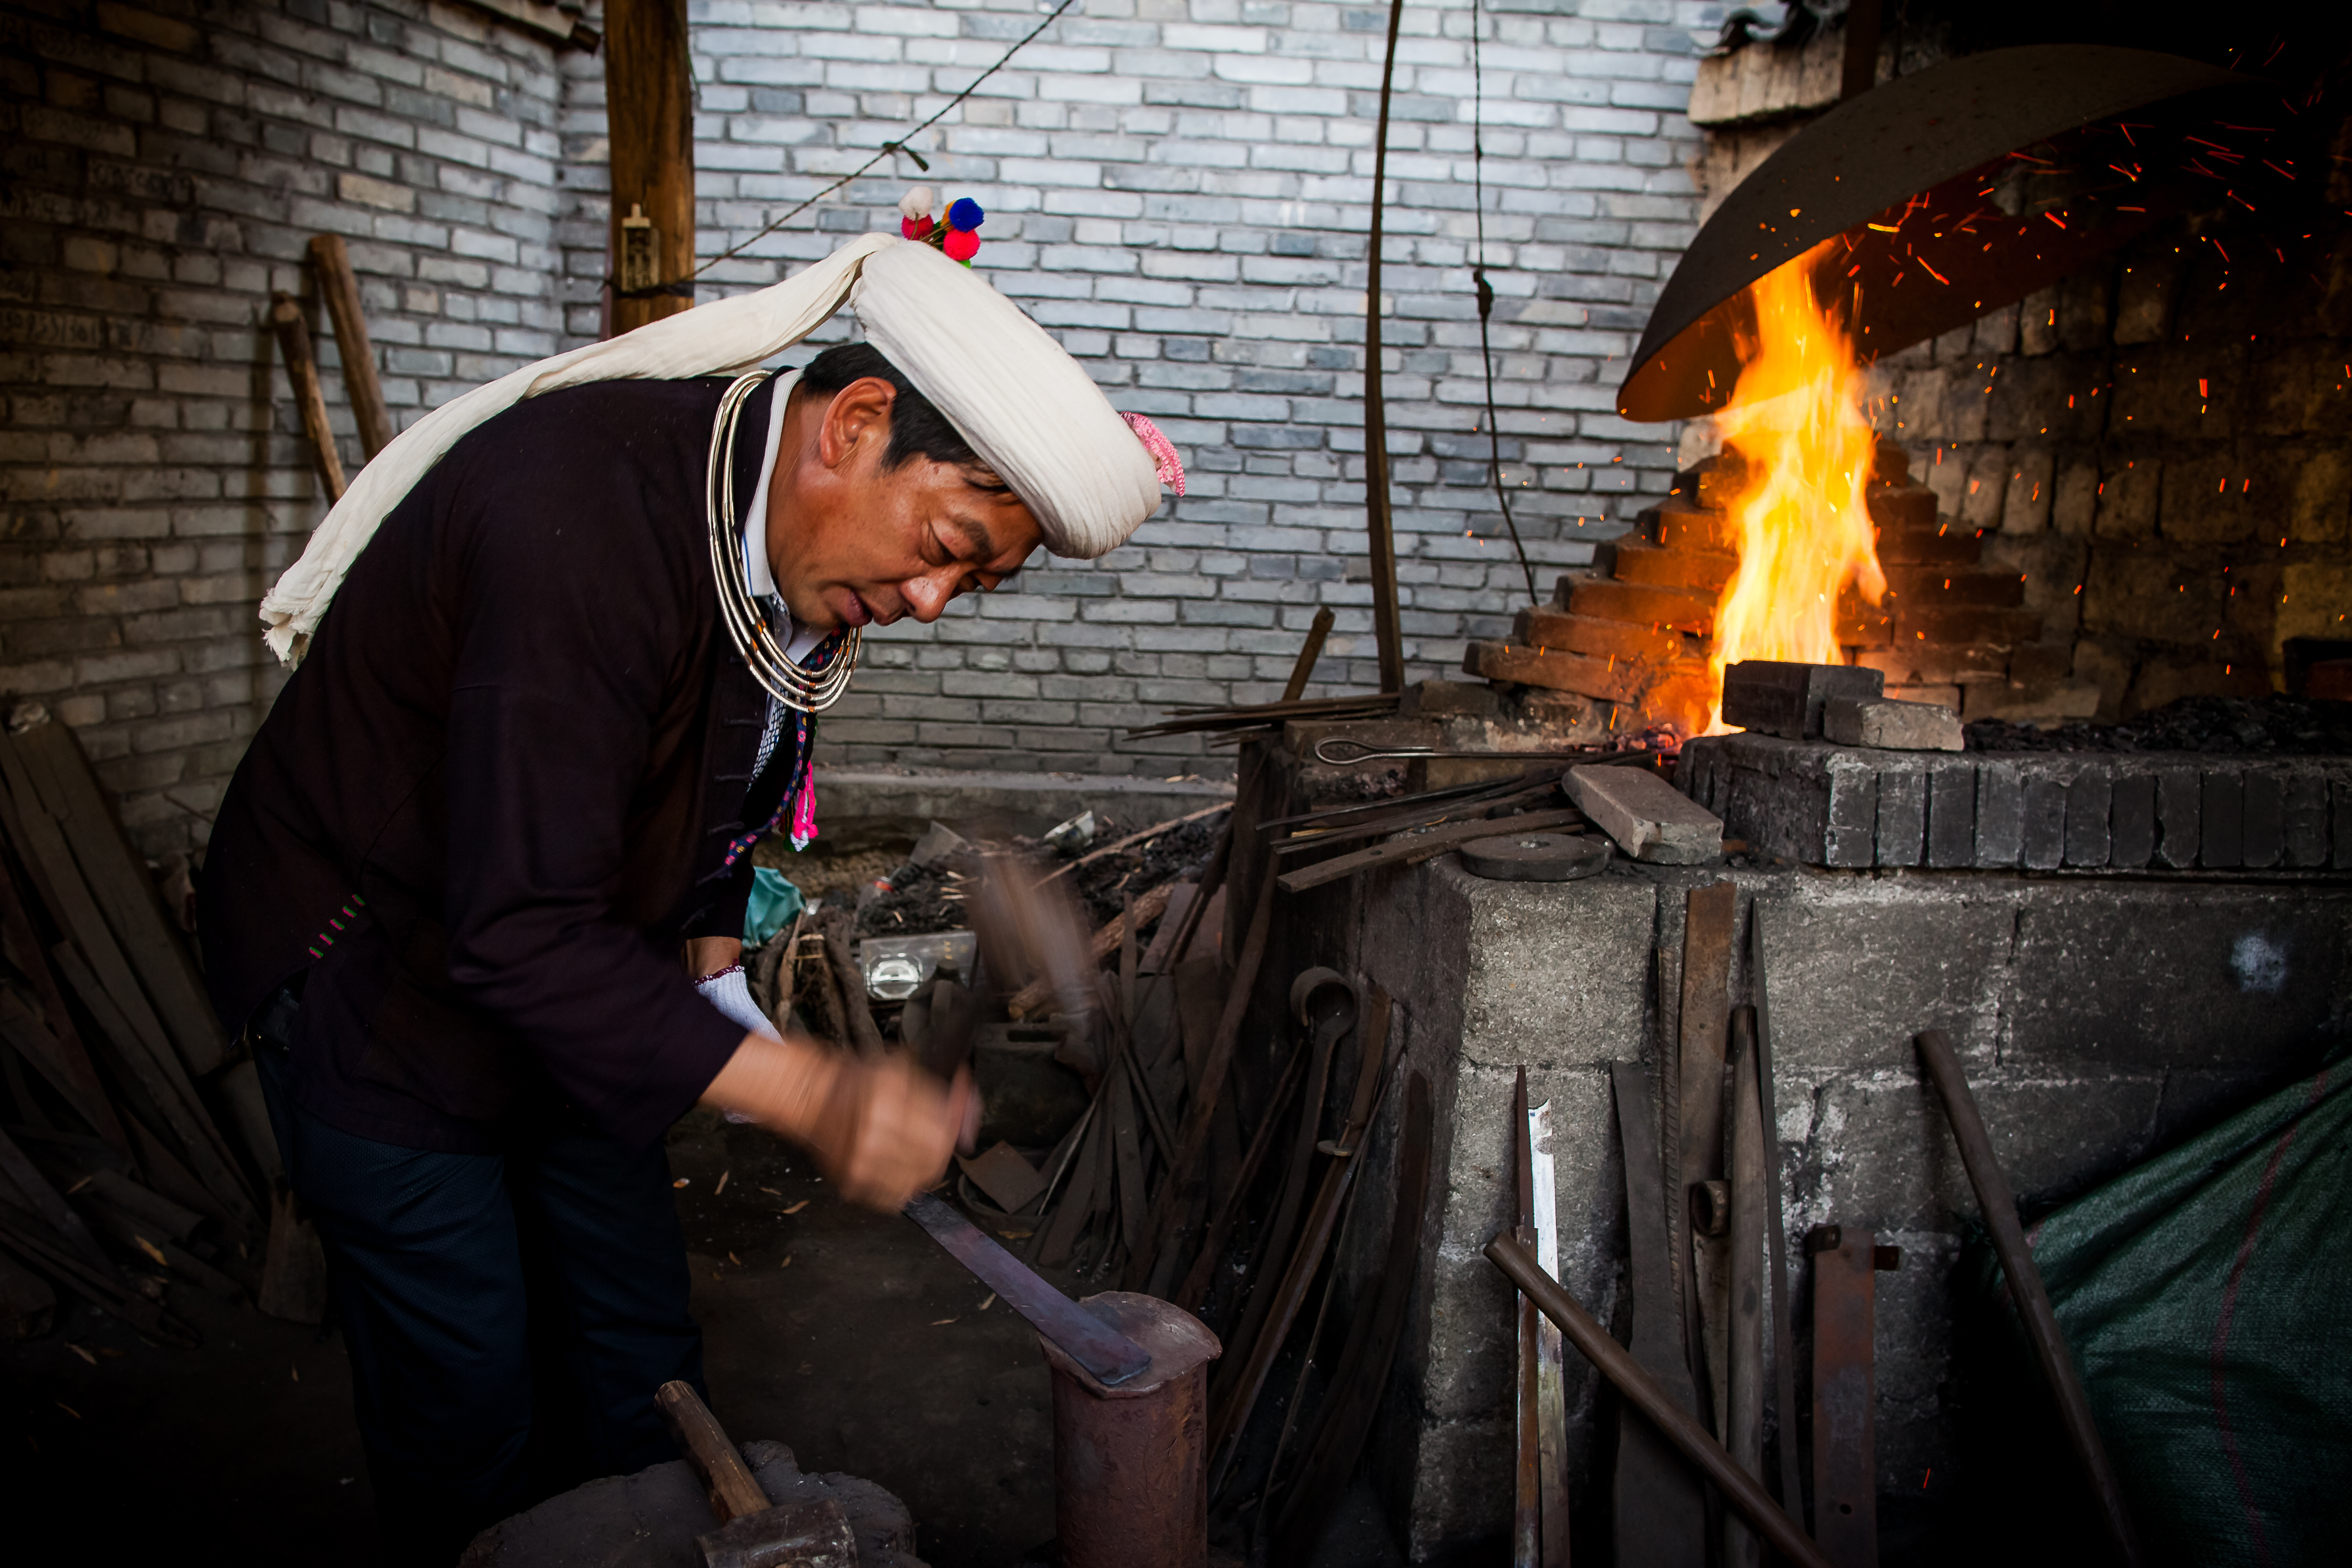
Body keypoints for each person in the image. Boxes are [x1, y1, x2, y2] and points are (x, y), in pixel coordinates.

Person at [197, 232, 1183, 1562]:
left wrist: (710, 948)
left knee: (635, 1333)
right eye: (946, 543)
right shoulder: (583, 517)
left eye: (979, 581)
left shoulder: (780, 538)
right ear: (855, 423)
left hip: (572, 975)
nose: (936, 602)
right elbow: (516, 931)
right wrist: (823, 1096)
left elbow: (730, 762)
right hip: (378, 979)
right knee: (469, 1387)